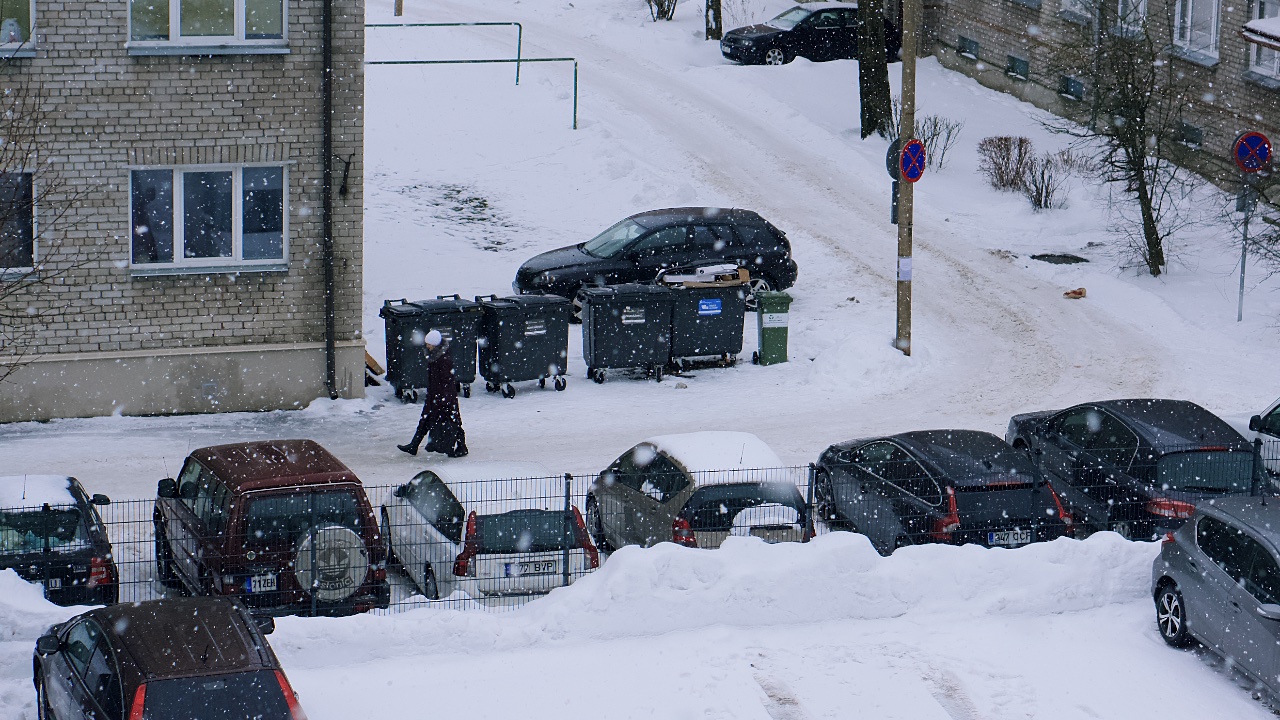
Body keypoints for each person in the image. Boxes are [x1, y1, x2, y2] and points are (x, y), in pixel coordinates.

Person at [398, 330, 468, 457]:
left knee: (452, 422)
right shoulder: (435, 357)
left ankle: (462, 446)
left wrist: (444, 398)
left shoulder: (443, 360)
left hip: (443, 397)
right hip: (435, 395)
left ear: (435, 344)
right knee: (426, 419)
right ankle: (414, 445)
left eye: (429, 344)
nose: (427, 346)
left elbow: (447, 381)